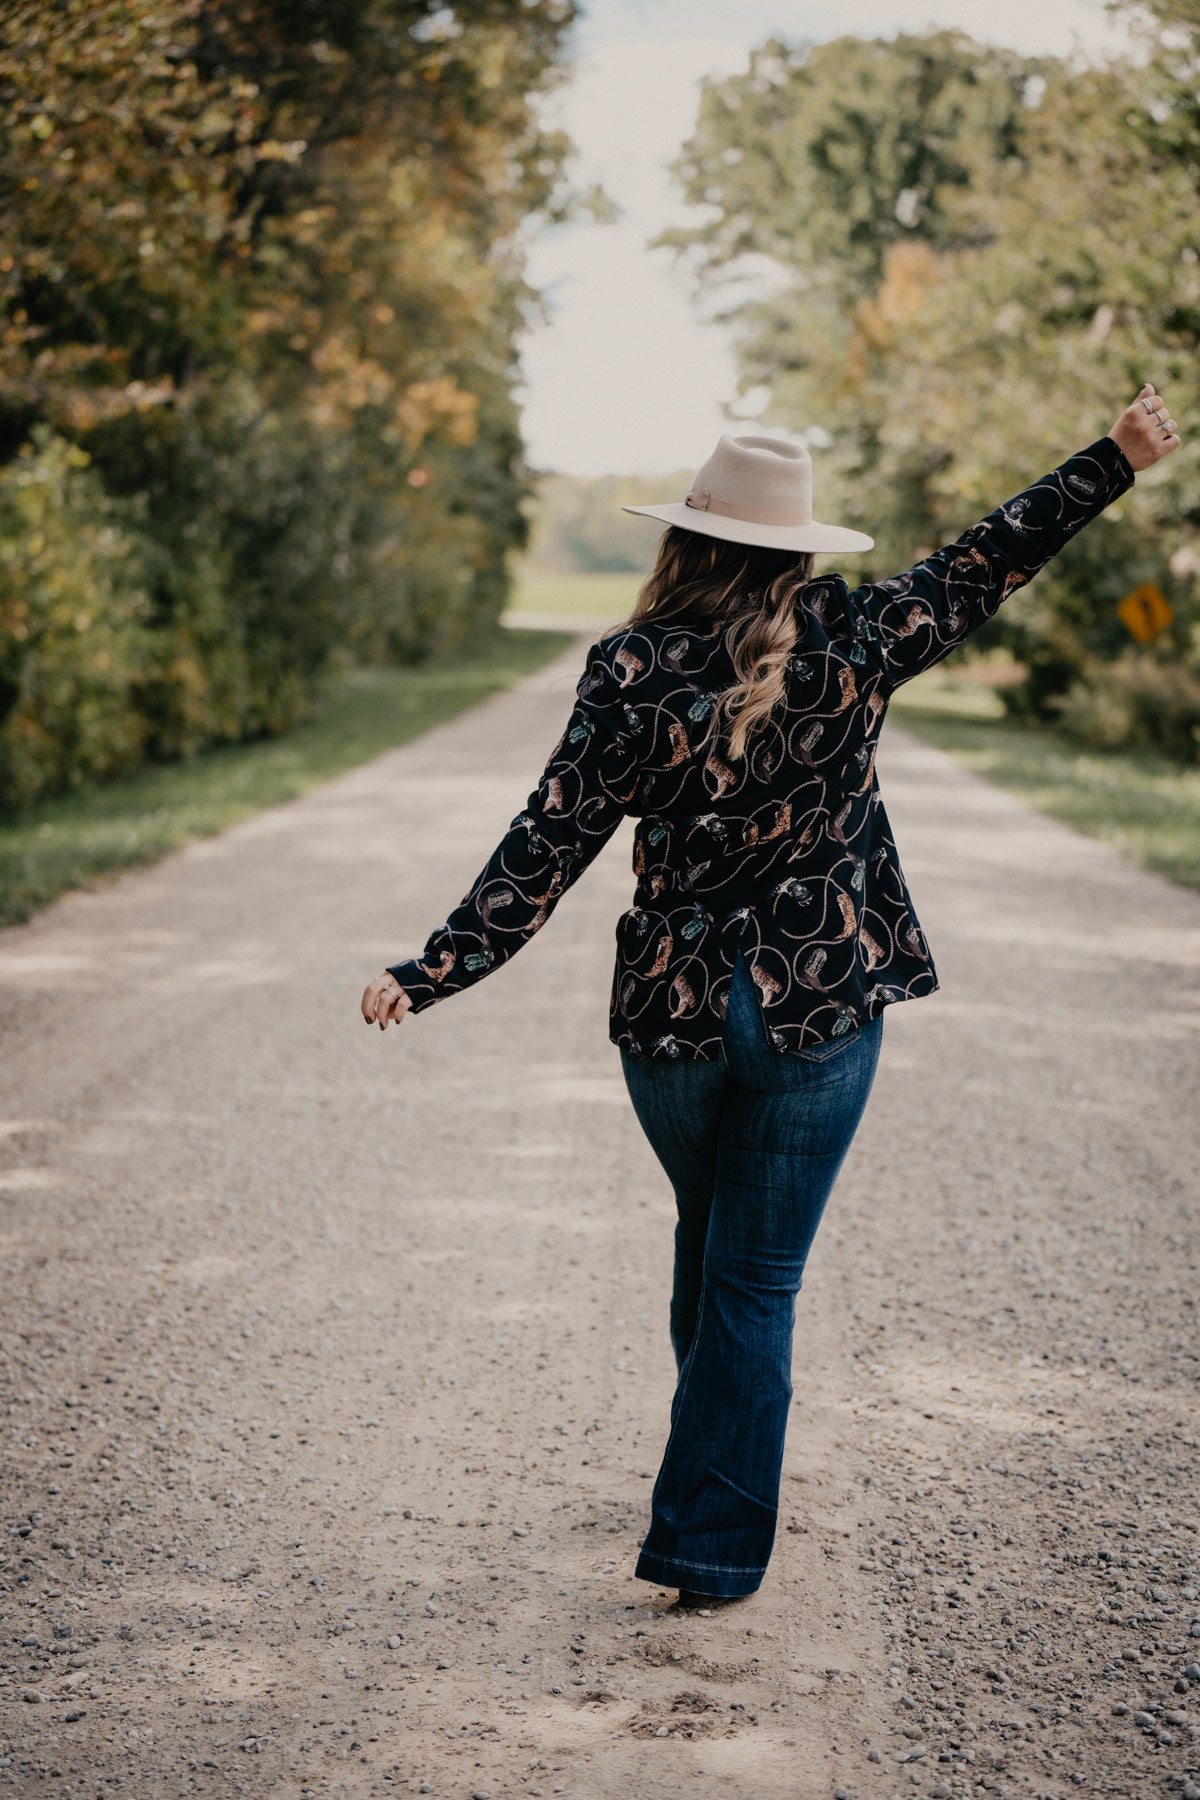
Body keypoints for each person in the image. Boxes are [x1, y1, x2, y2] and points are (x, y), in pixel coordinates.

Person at [360, 387, 1180, 1606]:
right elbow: (994, 554)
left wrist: (431, 969)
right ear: (799, 549)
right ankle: (712, 1544)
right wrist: (1114, 459)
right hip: (817, 1006)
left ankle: (710, 1485)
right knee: (752, 1276)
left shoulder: (628, 668)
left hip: (677, 1022)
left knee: (720, 1250)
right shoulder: (857, 638)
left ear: (685, 538)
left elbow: (548, 843)